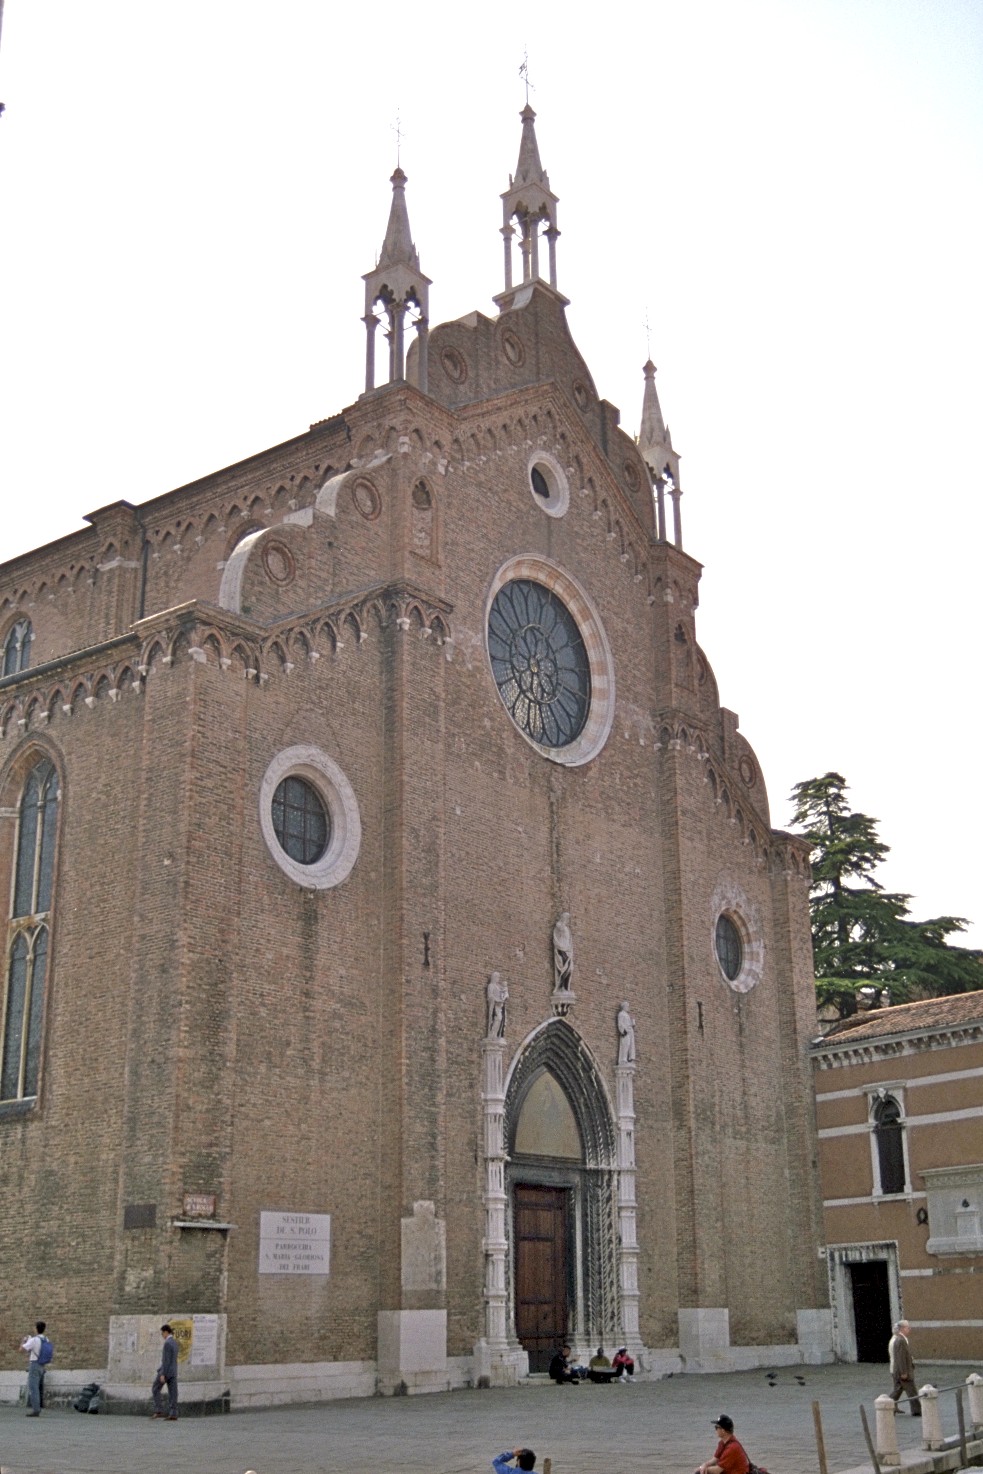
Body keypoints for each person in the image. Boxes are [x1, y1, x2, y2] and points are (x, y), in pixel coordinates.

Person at [888, 1319, 921, 1416]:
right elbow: (900, 1358)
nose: (909, 1329)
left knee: (898, 1390)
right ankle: (917, 1410)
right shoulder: (900, 1340)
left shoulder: (899, 1339)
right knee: (912, 1391)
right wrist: (903, 1372)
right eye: (907, 1327)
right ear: (902, 1329)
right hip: (902, 1371)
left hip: (898, 1370)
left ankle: (888, 1405)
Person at [21, 1320, 48, 1416]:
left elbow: (22, 1349)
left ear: (36, 1329)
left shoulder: (34, 1340)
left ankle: (36, 1410)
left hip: (34, 1364)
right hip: (42, 1365)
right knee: (38, 1387)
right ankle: (39, 1406)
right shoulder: (46, 1339)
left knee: (34, 1387)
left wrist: (24, 1341)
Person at [151, 1323, 179, 1419]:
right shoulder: (175, 1343)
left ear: (166, 1332)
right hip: (173, 1371)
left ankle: (158, 1410)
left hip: (166, 1371)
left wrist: (162, 1374)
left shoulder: (167, 1343)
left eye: (162, 1333)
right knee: (173, 1393)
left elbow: (166, 1360)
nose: (162, 1335)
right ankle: (173, 1413)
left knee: (155, 1388)